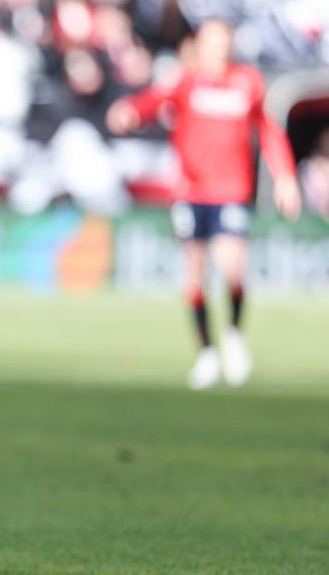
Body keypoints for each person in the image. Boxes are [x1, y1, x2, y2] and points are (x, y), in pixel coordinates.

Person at [106, 19, 302, 389]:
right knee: (194, 272)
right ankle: (207, 352)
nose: (220, 49)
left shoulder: (247, 81)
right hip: (190, 191)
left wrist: (285, 177)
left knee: (232, 267)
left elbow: (270, 131)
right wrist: (130, 111)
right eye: (213, 42)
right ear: (201, 45)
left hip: (231, 190)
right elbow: (152, 101)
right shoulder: (186, 79)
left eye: (225, 41)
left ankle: (233, 334)